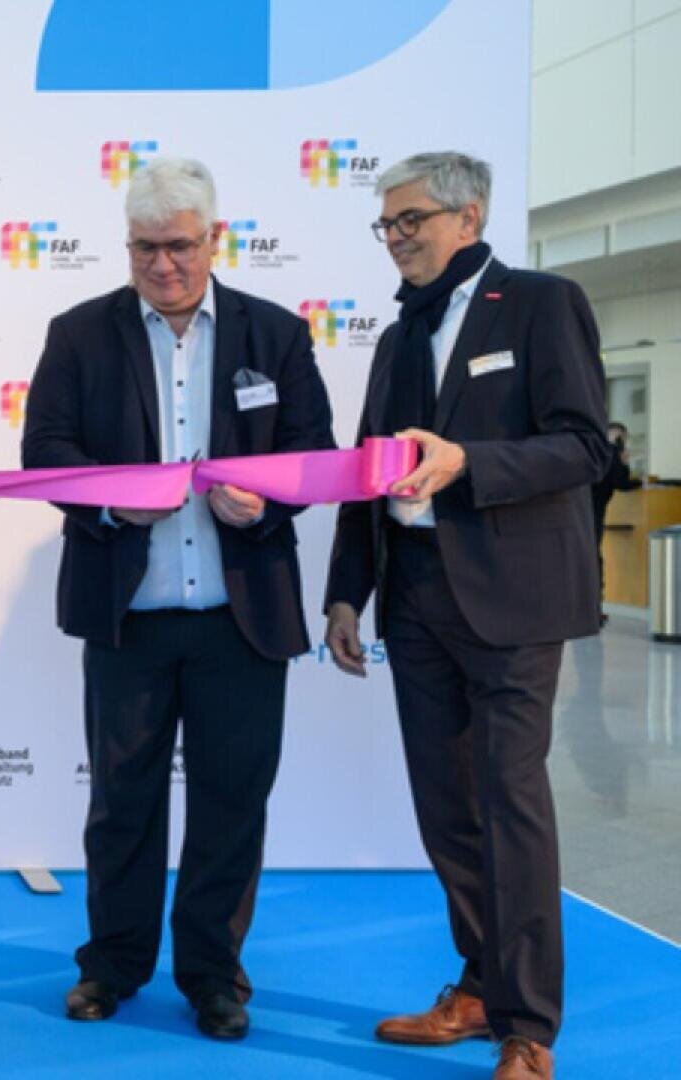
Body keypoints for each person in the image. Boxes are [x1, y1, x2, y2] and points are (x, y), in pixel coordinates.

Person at [21, 157, 336, 1040]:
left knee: (233, 802)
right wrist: (116, 498)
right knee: (122, 801)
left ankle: (213, 975)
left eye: (181, 247)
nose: (164, 265)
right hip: (129, 614)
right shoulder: (79, 333)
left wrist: (270, 500)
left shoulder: (276, 333)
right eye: (146, 248)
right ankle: (113, 965)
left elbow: (314, 452)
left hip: (244, 615)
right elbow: (46, 451)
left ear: (215, 241)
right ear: (127, 246)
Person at [324, 152, 609, 1080]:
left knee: (510, 802)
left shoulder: (539, 302)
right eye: (389, 224)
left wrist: (468, 464)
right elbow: (368, 472)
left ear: (469, 217)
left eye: (413, 220)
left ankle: (529, 1027)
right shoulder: (396, 335)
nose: (399, 237)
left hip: (515, 598)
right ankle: (480, 986)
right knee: (448, 810)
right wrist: (345, 592)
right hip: (414, 594)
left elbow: (579, 446)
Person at [589, 422, 638, 622]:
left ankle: (582, 611)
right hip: (594, 513)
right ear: (618, 436)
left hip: (579, 510)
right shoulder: (611, 452)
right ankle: (593, 612)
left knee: (584, 560)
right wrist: (625, 463)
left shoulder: (593, 449)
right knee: (593, 561)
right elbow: (621, 483)